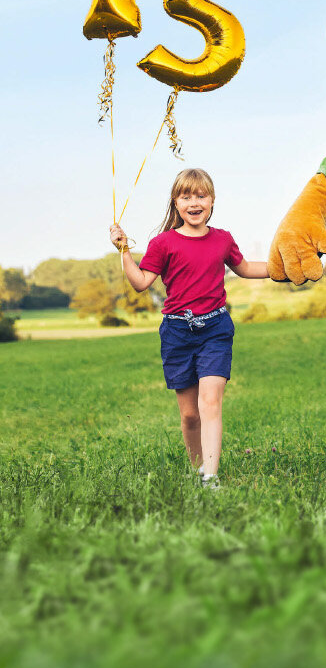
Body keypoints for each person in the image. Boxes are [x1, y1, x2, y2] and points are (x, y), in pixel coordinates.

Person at [110, 168, 268, 487]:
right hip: (177, 333)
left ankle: (211, 477)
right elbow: (141, 282)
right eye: (187, 196)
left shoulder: (222, 239)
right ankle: (198, 467)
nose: (194, 202)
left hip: (215, 329)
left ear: (212, 200)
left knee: (209, 402)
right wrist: (124, 249)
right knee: (190, 415)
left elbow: (247, 268)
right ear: (176, 202)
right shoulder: (163, 243)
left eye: (201, 195)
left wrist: (286, 268)